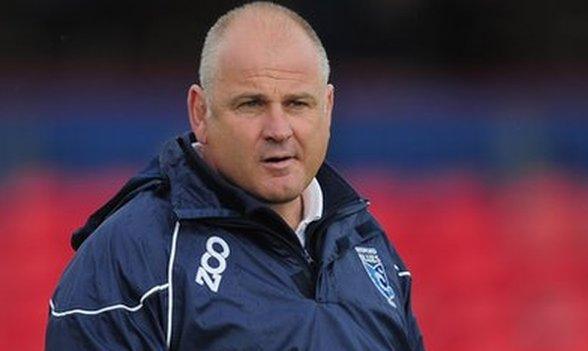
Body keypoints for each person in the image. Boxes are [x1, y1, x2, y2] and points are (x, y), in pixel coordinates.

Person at [45, 2, 426, 350]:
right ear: (200, 112)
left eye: (297, 104)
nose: (278, 129)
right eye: (251, 104)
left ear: (327, 108)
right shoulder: (129, 258)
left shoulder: (371, 248)